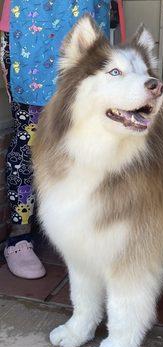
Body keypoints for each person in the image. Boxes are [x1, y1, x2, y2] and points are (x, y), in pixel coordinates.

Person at [0, 0, 110, 279]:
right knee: (29, 138)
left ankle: (85, 229)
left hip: (88, 28)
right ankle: (20, 235)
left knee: (89, 135)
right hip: (27, 31)